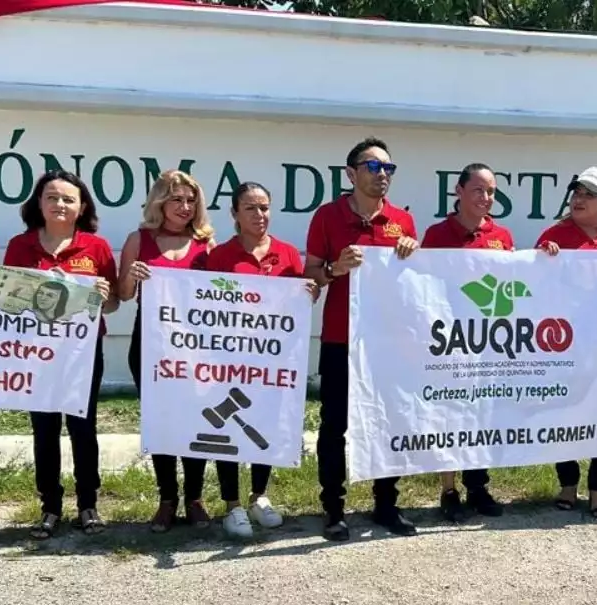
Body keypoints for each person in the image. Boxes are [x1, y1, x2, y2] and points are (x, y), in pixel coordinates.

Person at [304, 137, 419, 542]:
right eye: (373, 167)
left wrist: (412, 252)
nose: (382, 175)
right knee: (334, 426)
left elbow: (413, 281)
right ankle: (333, 509)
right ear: (351, 173)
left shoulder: (403, 222)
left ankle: (386, 503)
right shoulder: (327, 217)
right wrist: (335, 268)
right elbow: (312, 274)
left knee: (390, 421)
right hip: (341, 339)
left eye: (388, 168)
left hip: (389, 342)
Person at [2, 170, 118, 538]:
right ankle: (50, 507)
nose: (60, 204)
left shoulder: (96, 247)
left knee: (83, 428)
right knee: (44, 429)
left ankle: (88, 504)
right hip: (37, 354)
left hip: (83, 353)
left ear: (82, 206)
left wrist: (101, 295)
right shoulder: (20, 246)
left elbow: (113, 303)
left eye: (69, 199)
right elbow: (6, 301)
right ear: (39, 202)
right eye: (52, 197)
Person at [203, 181, 320, 539]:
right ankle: (232, 505)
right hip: (231, 358)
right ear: (235, 213)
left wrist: (310, 292)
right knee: (227, 427)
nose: (260, 215)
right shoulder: (220, 257)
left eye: (265, 207)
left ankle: (259, 497)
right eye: (251, 208)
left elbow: (299, 304)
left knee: (265, 424)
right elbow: (206, 306)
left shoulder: (286, 254)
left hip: (272, 359)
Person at [115, 170, 218, 532]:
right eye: (177, 199)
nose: (185, 207)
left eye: (191, 201)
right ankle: (166, 499)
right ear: (161, 201)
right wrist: (133, 275)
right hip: (150, 342)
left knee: (196, 420)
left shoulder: (207, 243)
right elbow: (124, 294)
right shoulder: (138, 239)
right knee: (160, 422)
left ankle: (195, 497)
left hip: (197, 347)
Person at [419, 162, 512, 523]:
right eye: (479, 190)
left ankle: (478, 485)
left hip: (487, 342)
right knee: (449, 415)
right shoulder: (437, 233)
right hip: (449, 341)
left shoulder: (501, 236)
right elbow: (421, 284)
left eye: (491, 191)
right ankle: (448, 489)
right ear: (458, 192)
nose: (486, 198)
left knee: (482, 414)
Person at [536, 166, 597, 519]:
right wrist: (544, 260)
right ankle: (567, 483)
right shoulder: (554, 234)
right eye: (577, 192)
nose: (579, 199)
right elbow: (535, 283)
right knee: (565, 411)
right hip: (564, 343)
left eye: (589, 194)